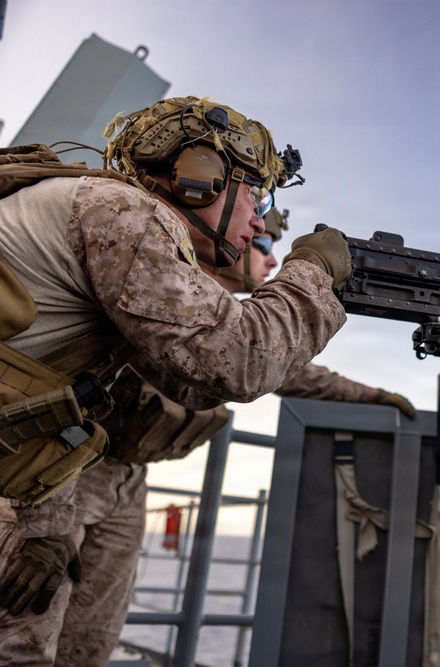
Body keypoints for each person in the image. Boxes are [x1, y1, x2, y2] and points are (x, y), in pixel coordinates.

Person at [0, 95, 357, 664]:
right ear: (201, 180)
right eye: (256, 197)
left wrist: (44, 524)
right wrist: (311, 271)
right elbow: (237, 360)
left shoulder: (109, 221)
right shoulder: (124, 214)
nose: (261, 222)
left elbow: (190, 381)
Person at [42, 207, 415, 666]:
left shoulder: (228, 322)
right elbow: (240, 360)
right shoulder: (156, 284)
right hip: (66, 471)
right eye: (261, 247)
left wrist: (373, 396)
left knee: (91, 636)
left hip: (128, 481)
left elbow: (293, 373)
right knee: (33, 624)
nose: (272, 261)